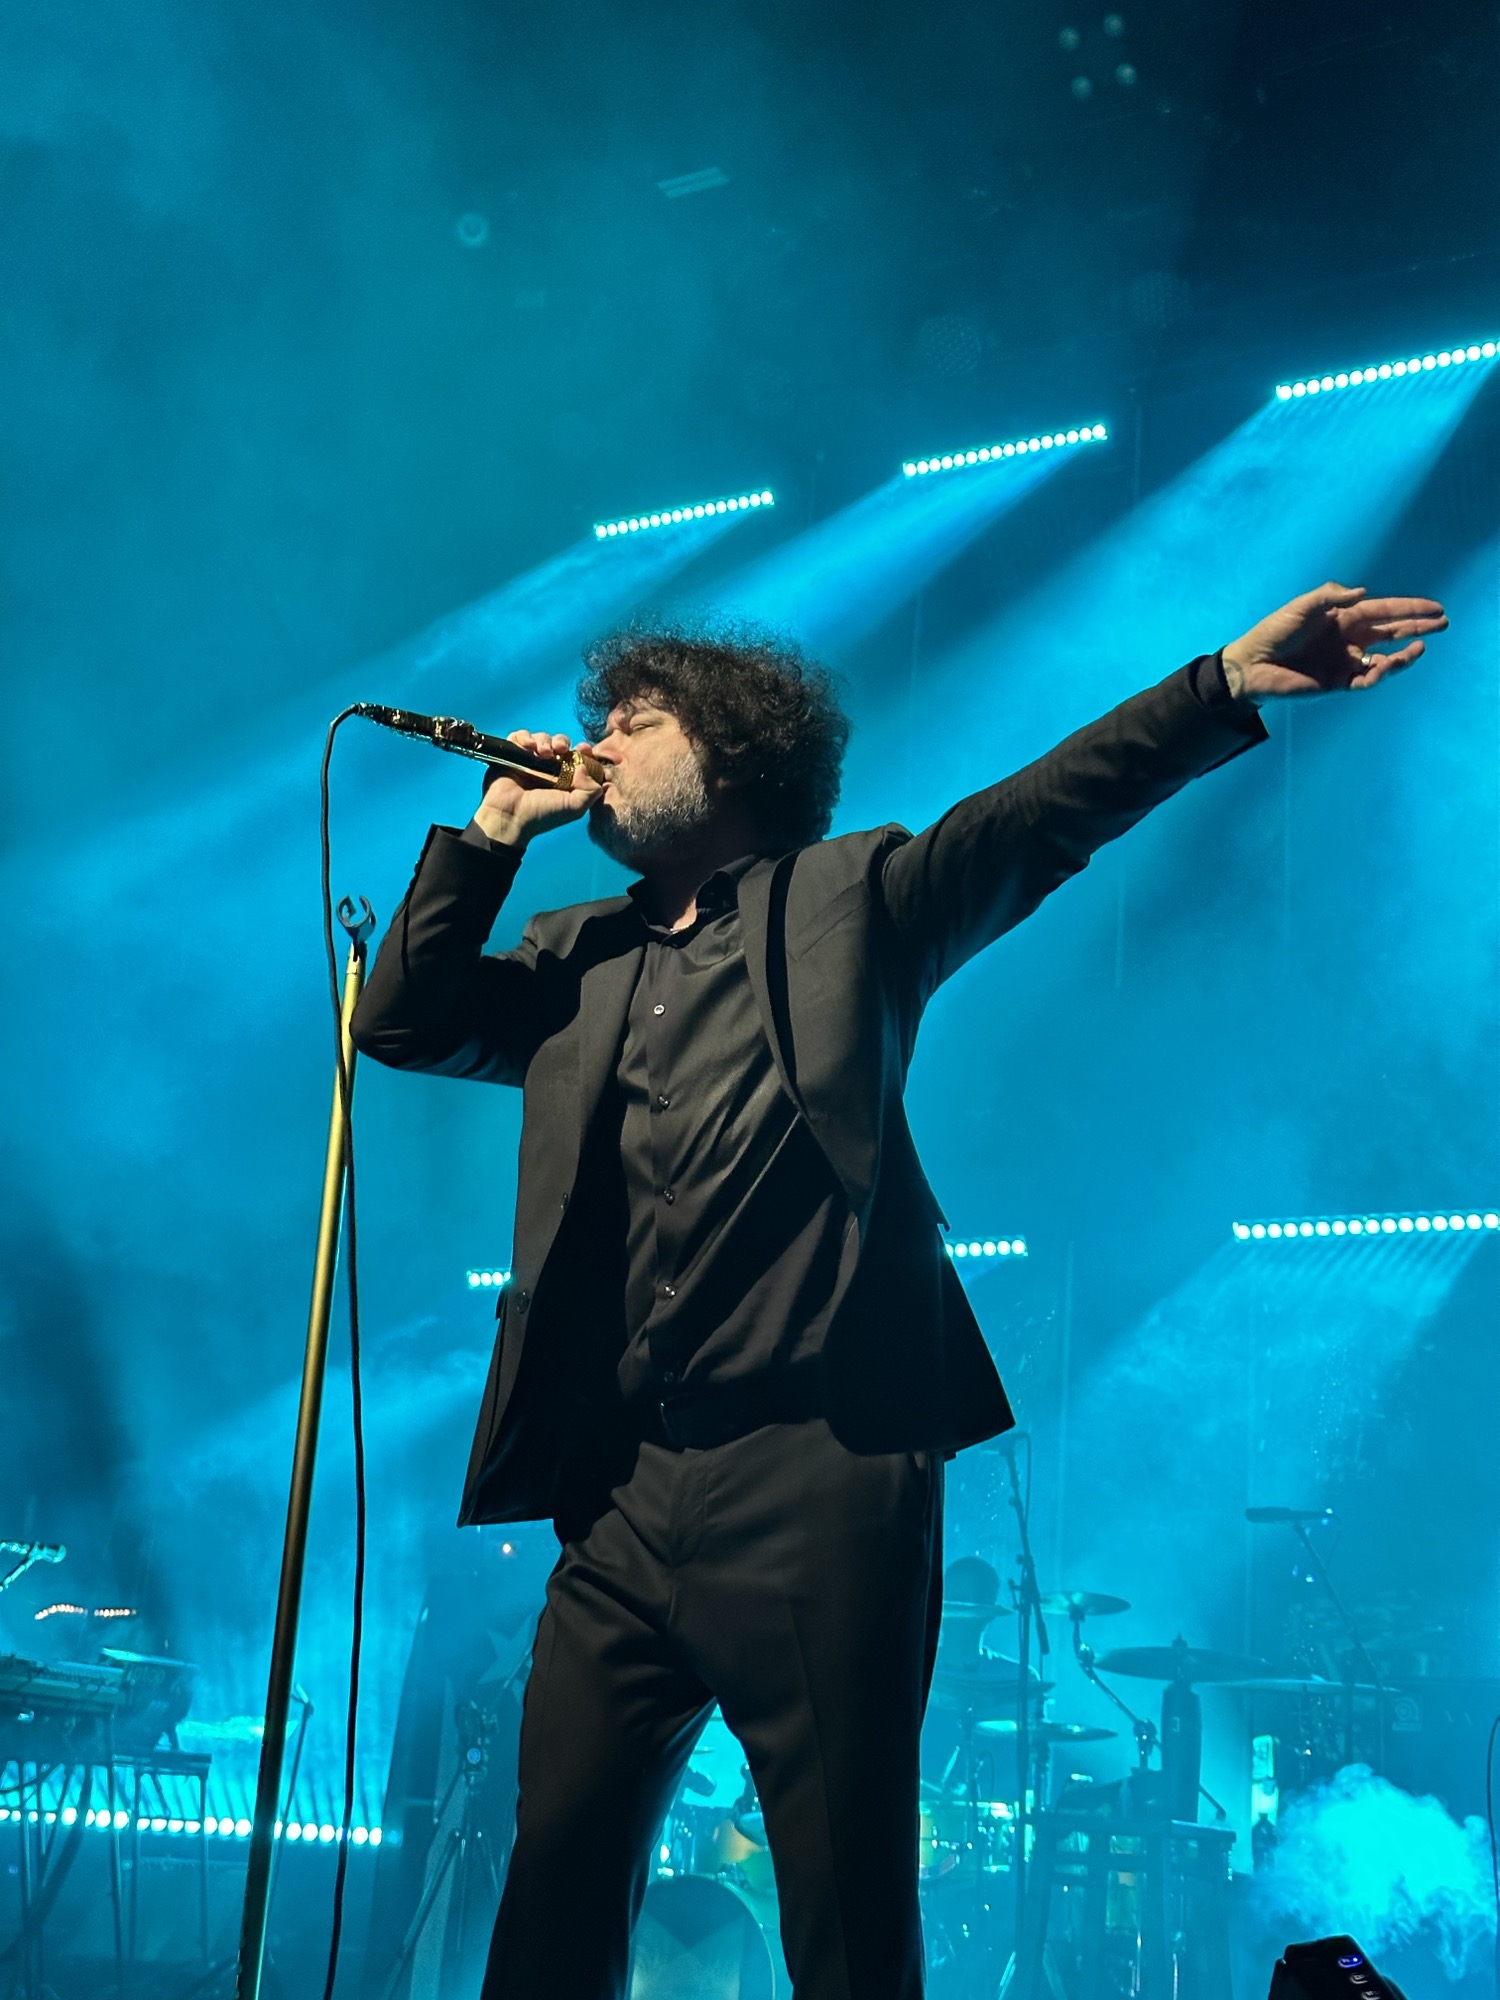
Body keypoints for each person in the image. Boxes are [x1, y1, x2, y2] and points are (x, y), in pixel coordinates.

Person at [350, 580, 1445, 1999]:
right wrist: (494, 831)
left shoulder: (848, 902)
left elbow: (1041, 815)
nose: (597, 745)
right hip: (615, 1498)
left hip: (817, 1473)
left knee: (845, 1906)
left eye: (635, 721)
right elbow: (401, 1022)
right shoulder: (573, 959)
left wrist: (1221, 683)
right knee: (551, 1886)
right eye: (595, 723)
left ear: (731, 757)